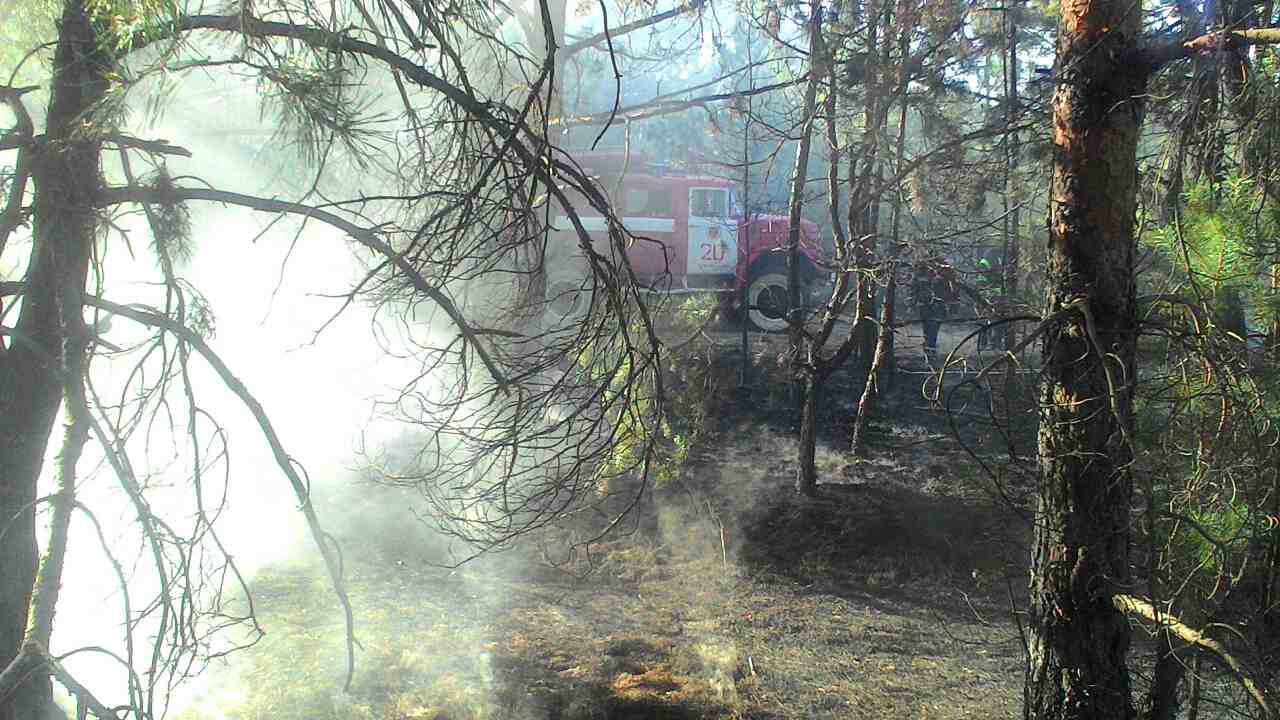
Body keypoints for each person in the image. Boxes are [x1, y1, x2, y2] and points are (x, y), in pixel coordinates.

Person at [912, 263, 947, 356]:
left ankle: (929, 346)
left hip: (925, 305)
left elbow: (914, 291)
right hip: (934, 306)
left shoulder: (918, 277)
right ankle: (930, 346)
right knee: (932, 327)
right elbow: (945, 293)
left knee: (928, 327)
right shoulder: (939, 278)